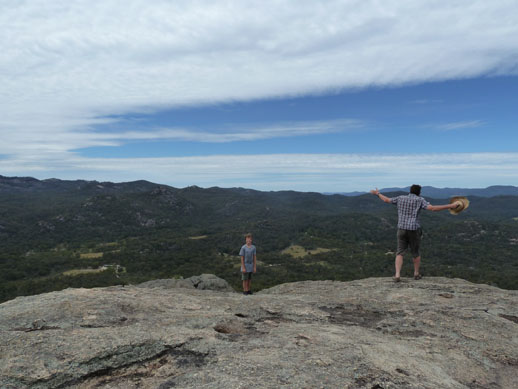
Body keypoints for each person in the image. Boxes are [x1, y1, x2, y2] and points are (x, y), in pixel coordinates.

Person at [370, 185, 460, 282]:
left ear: (410, 191)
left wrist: (377, 193)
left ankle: (397, 274)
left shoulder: (400, 198)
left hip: (401, 229)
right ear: (419, 192)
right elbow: (433, 208)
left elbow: (386, 200)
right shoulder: (420, 200)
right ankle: (416, 274)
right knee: (415, 252)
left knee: (400, 252)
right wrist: (451, 206)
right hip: (413, 230)